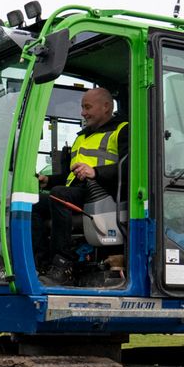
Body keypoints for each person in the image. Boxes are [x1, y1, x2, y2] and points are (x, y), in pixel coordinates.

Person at [32, 86, 129, 275]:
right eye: (83, 108)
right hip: (76, 192)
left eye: (88, 107)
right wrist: (47, 180)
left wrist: (95, 172)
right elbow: (69, 175)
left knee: (59, 195)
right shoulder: (81, 137)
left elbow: (131, 167)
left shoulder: (122, 130)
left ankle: (62, 263)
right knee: (34, 204)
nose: (83, 113)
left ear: (106, 107)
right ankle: (40, 264)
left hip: (102, 193)